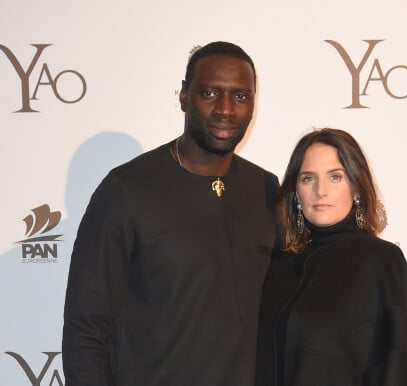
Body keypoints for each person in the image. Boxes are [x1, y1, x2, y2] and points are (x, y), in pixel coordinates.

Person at [62, 41, 280, 386]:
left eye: (240, 96)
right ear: (183, 96)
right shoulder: (127, 190)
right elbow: (86, 327)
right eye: (210, 93)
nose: (225, 109)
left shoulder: (266, 189)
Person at [255, 128, 407, 386]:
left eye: (335, 177)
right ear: (295, 192)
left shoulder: (381, 261)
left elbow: (404, 367)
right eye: (308, 178)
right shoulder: (275, 264)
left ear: (356, 187)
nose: (321, 190)